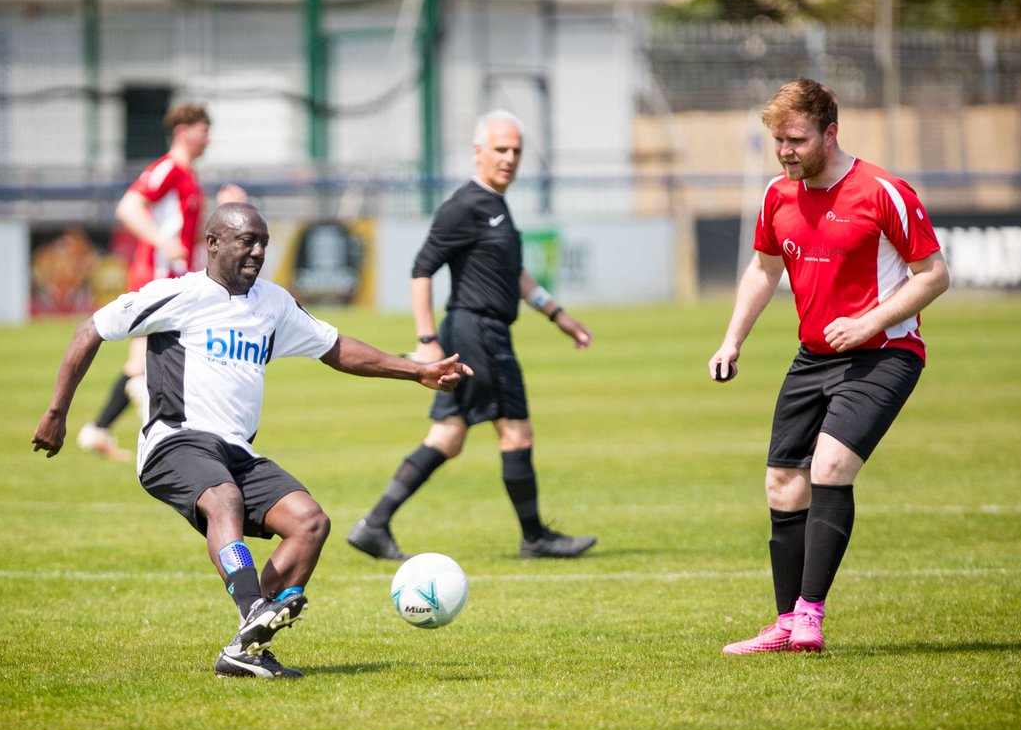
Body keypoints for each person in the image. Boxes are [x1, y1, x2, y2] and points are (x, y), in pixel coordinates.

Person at [32, 203, 471, 679]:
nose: (258, 251)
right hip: (175, 441)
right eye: (247, 241)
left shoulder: (274, 303)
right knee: (225, 500)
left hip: (237, 450)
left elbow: (337, 349)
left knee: (310, 523)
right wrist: (58, 412)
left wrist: (418, 371)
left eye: (263, 242)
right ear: (213, 243)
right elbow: (89, 330)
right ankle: (253, 608)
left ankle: (246, 649)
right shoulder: (178, 295)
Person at [709, 78, 950, 655]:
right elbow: (765, 271)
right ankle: (785, 623)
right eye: (778, 141)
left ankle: (811, 617)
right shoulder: (777, 195)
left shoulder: (883, 191)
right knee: (783, 485)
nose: (786, 151)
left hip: (884, 353)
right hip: (813, 356)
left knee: (831, 465)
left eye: (796, 139)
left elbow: (934, 275)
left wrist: (870, 322)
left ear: (830, 132)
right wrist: (732, 340)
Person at [346, 110, 597, 562]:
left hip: (474, 328)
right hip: (479, 331)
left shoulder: (496, 205)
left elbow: (511, 272)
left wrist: (556, 314)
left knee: (448, 436)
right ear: (478, 152)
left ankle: (374, 525)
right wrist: (426, 341)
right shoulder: (464, 205)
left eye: (517, 151)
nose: (510, 158)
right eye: (501, 149)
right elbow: (421, 269)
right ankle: (535, 537)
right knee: (516, 433)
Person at [77, 101, 246, 461]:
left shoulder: (188, 177)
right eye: (204, 130)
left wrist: (223, 209)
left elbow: (195, 235)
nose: (209, 139)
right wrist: (161, 241)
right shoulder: (167, 169)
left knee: (143, 363)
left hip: (177, 277)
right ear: (183, 131)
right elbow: (129, 206)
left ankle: (101, 429)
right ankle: (161, 441)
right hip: (159, 276)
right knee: (156, 363)